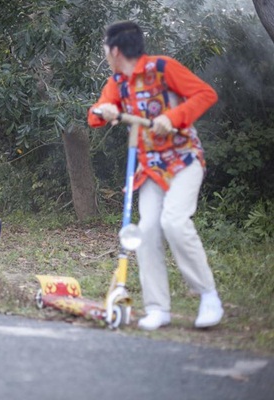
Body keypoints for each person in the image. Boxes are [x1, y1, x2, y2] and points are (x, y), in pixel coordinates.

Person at [87, 21, 224, 331]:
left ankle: (208, 295)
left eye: (105, 49)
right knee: (147, 230)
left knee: (174, 221)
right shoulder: (118, 82)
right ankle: (158, 308)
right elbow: (94, 115)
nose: (105, 54)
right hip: (149, 168)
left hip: (184, 159)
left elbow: (205, 94)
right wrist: (103, 111)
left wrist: (171, 117)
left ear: (115, 49)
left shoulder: (163, 68)